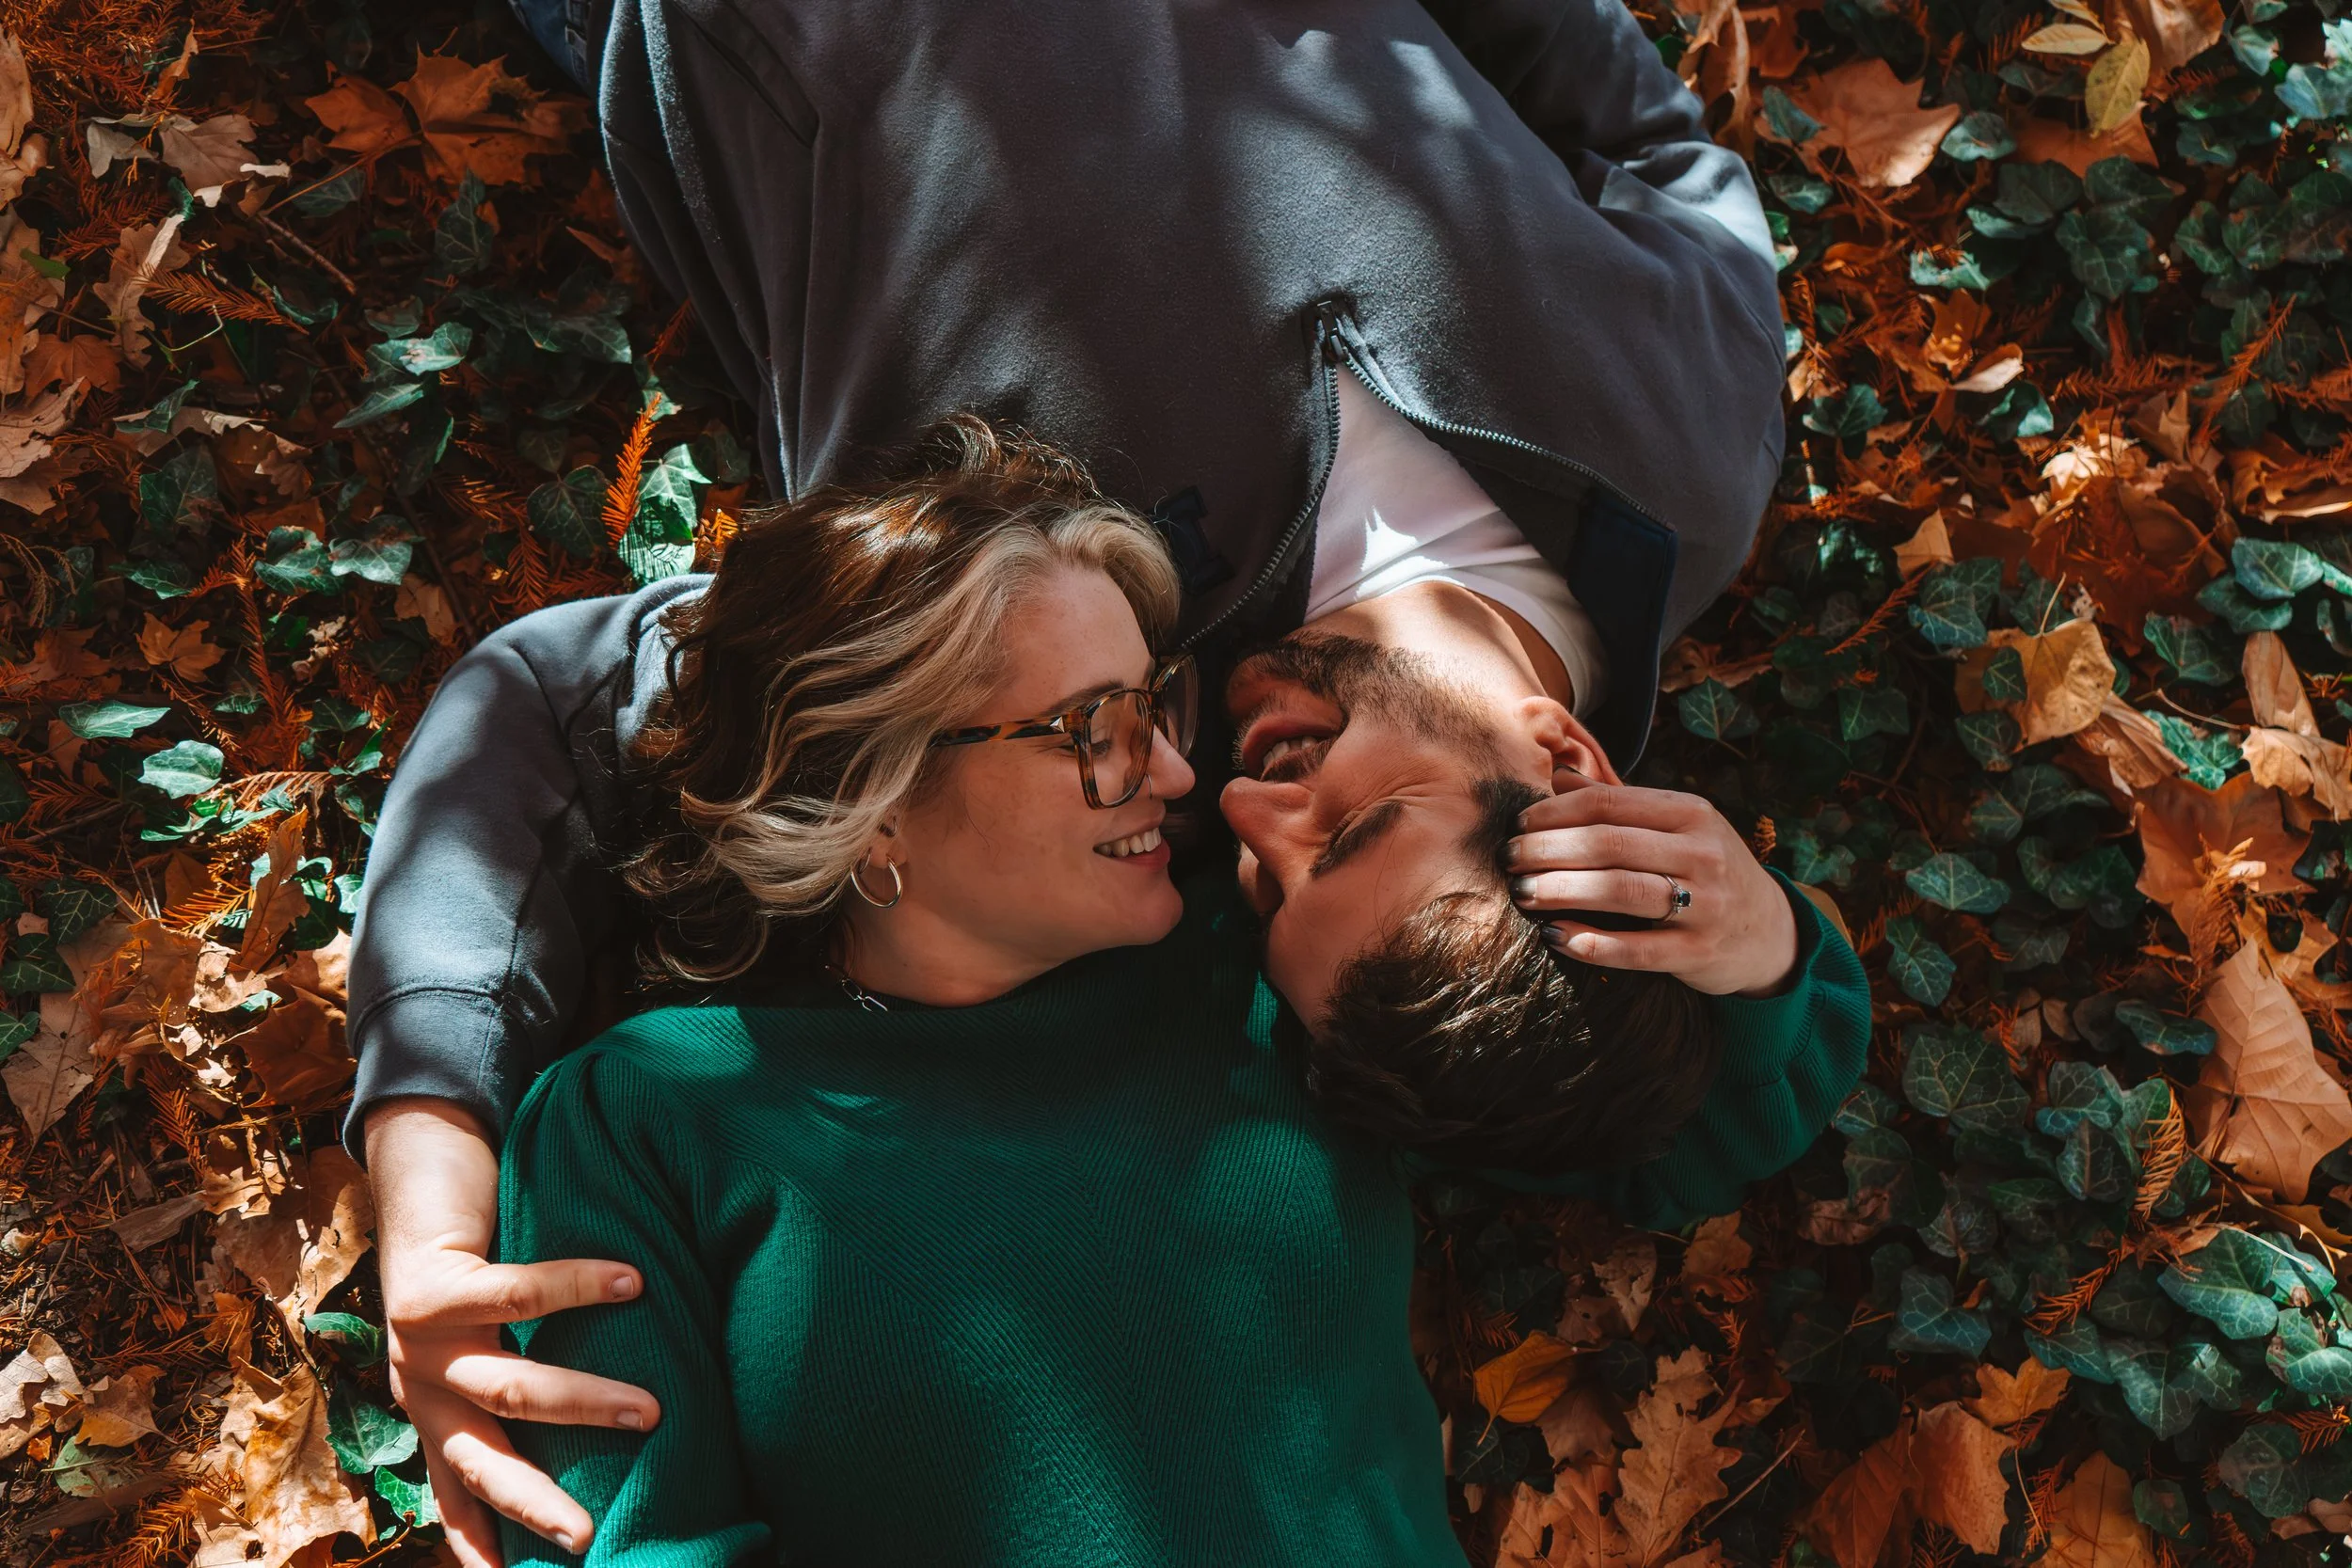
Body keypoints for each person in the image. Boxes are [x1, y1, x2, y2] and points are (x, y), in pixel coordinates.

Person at [370, 0, 1801, 1556]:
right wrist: (1772, 954)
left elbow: (553, 713)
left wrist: (431, 1179)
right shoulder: (1689, 469)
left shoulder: (1081, 695)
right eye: (1362, 823)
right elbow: (1642, 132)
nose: (1245, 811)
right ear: (1566, 760)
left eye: (1266, 881)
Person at [477, 420, 1866, 1563]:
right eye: (1096, 728)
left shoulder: (1273, 995)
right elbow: (621, 1537)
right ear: (874, 805)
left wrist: (1761, 952)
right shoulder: (656, 1109)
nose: (1188, 780)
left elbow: (1642, 1130)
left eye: (1156, 706)